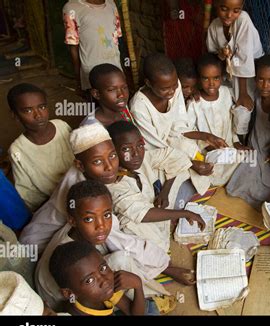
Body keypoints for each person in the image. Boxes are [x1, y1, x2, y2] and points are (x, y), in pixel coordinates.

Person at [36, 180, 194, 312]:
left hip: (89, 288)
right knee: (121, 260)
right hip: (69, 298)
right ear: (72, 221)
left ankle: (148, 289)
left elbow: (129, 244)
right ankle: (152, 297)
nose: (101, 226)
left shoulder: (93, 231)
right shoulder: (71, 259)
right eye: (89, 219)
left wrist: (163, 268)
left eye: (106, 215)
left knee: (127, 247)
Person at [19, 123, 121, 253]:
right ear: (80, 165)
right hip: (36, 247)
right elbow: (112, 233)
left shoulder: (85, 172)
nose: (110, 167)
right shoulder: (76, 190)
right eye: (97, 161)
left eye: (112, 156)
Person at [106, 121, 206, 251]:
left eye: (140, 145)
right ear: (112, 152)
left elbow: (176, 156)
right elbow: (143, 214)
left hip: (153, 206)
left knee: (179, 167)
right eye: (126, 149)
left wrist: (165, 192)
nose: (136, 154)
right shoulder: (114, 184)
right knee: (130, 222)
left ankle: (166, 221)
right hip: (137, 221)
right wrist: (184, 213)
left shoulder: (143, 159)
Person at [130, 53, 214, 177]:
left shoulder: (176, 86)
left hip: (171, 142)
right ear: (148, 83)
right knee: (175, 172)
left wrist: (205, 136)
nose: (172, 92)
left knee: (193, 149)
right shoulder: (139, 107)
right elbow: (155, 147)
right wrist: (189, 163)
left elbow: (179, 125)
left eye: (174, 85)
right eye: (164, 88)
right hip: (156, 151)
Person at [226, 54, 270, 208]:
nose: (265, 86)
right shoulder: (254, 97)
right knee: (238, 185)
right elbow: (228, 91)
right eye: (260, 79)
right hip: (255, 150)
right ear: (255, 79)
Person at [7, 83, 74, 212]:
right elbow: (29, 194)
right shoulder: (17, 150)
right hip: (56, 203)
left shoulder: (61, 126)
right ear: (15, 115)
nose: (38, 115)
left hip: (87, 186)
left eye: (42, 107)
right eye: (28, 110)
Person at [206, 0, 264, 141]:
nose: (229, 15)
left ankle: (241, 141)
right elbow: (213, 55)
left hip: (248, 73)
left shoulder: (243, 20)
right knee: (222, 104)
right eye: (224, 9)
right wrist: (221, 54)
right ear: (216, 6)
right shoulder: (214, 26)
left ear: (241, 9)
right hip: (227, 72)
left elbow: (244, 58)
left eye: (235, 11)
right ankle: (228, 139)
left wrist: (243, 93)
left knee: (242, 108)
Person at [187, 53, 246, 185]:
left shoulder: (226, 93)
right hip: (208, 152)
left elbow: (231, 122)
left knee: (247, 157)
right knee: (215, 165)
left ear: (222, 77)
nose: (211, 83)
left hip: (228, 148)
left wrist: (236, 142)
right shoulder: (194, 103)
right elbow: (189, 132)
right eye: (205, 79)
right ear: (198, 79)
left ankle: (225, 179)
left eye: (216, 78)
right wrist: (208, 147)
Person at [49, 241, 145, 316]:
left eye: (103, 268)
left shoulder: (104, 292)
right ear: (69, 293)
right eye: (89, 280)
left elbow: (134, 313)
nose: (104, 281)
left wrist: (138, 285)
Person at [63, 0, 124, 95]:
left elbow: (117, 39)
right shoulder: (72, 8)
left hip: (115, 69)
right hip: (92, 74)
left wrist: (124, 69)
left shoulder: (111, 3)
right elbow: (73, 48)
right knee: (97, 105)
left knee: (118, 103)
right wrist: (79, 81)